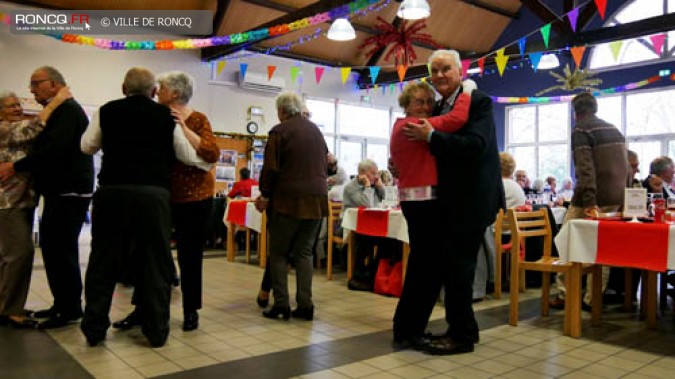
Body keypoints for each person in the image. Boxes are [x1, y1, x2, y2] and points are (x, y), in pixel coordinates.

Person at [79, 67, 209, 347]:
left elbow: (86, 146)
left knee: (103, 260)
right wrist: (207, 163)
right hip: (153, 197)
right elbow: (187, 155)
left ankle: (94, 328)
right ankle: (156, 330)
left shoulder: (106, 110)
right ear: (153, 92)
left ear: (124, 88)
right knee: (156, 262)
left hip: (112, 192)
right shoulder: (166, 116)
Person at [393, 49, 504, 355]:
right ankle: (464, 329)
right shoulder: (442, 105)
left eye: (446, 69)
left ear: (459, 71)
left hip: (471, 199)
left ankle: (461, 336)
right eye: (436, 71)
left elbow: (476, 145)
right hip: (445, 201)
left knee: (458, 267)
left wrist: (431, 138)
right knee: (452, 267)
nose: (440, 75)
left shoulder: (477, 101)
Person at [0, 66, 94, 330]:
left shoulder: (67, 110)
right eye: (11, 106)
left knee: (60, 251)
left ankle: (69, 309)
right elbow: (36, 134)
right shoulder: (57, 110)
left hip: (69, 193)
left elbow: (53, 150)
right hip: (53, 194)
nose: (31, 90)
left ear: (54, 85)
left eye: (36, 83)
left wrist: (16, 167)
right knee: (53, 250)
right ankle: (62, 304)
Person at [550, 92, 628, 312]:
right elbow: (627, 168)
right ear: (595, 107)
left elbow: (585, 170)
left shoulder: (581, 129)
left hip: (592, 199)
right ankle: (593, 298)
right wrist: (625, 199)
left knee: (565, 240)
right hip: (616, 198)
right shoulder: (614, 130)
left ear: (576, 112)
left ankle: (566, 294)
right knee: (603, 250)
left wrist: (589, 202)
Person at [0, 88, 70, 328]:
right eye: (11, 106)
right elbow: (31, 129)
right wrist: (57, 101)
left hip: (21, 201)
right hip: (8, 203)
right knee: (20, 254)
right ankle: (11, 311)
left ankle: (7, 306)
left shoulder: (14, 128)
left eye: (18, 104)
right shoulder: (4, 129)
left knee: (10, 257)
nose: (18, 108)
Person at [255, 92, 327, 322]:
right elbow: (327, 162)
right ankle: (305, 305)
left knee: (278, 253)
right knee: (304, 253)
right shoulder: (316, 130)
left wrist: (265, 194)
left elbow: (270, 168)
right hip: (317, 200)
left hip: (288, 201)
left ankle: (282, 306)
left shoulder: (280, 131)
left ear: (282, 111)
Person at [160, 71, 219, 331]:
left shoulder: (197, 119)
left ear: (174, 93)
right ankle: (149, 308)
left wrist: (184, 129)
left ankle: (190, 310)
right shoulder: (158, 116)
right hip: (164, 194)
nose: (156, 91)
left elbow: (211, 152)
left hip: (196, 198)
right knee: (156, 254)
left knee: (190, 257)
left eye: (161, 88)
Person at [342, 159, 390, 291]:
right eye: (373, 173)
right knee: (365, 240)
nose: (376, 176)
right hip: (352, 226)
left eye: (377, 173)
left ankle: (374, 273)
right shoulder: (350, 187)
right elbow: (366, 205)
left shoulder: (374, 184)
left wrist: (380, 186)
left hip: (370, 225)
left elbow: (386, 199)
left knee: (388, 240)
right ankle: (360, 275)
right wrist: (368, 187)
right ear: (362, 173)